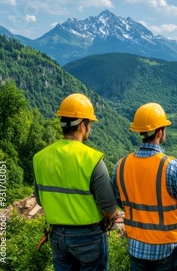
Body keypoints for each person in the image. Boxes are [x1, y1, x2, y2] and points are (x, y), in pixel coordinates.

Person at [33, 93, 118, 271]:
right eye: (90, 124)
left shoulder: (40, 158)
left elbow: (40, 199)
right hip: (90, 237)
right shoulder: (92, 160)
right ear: (82, 125)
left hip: (57, 236)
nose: (90, 128)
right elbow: (109, 207)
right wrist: (109, 219)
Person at [112, 103, 177, 271]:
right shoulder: (173, 167)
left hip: (136, 247)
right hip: (168, 248)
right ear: (160, 132)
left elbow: (119, 199)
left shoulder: (121, 166)